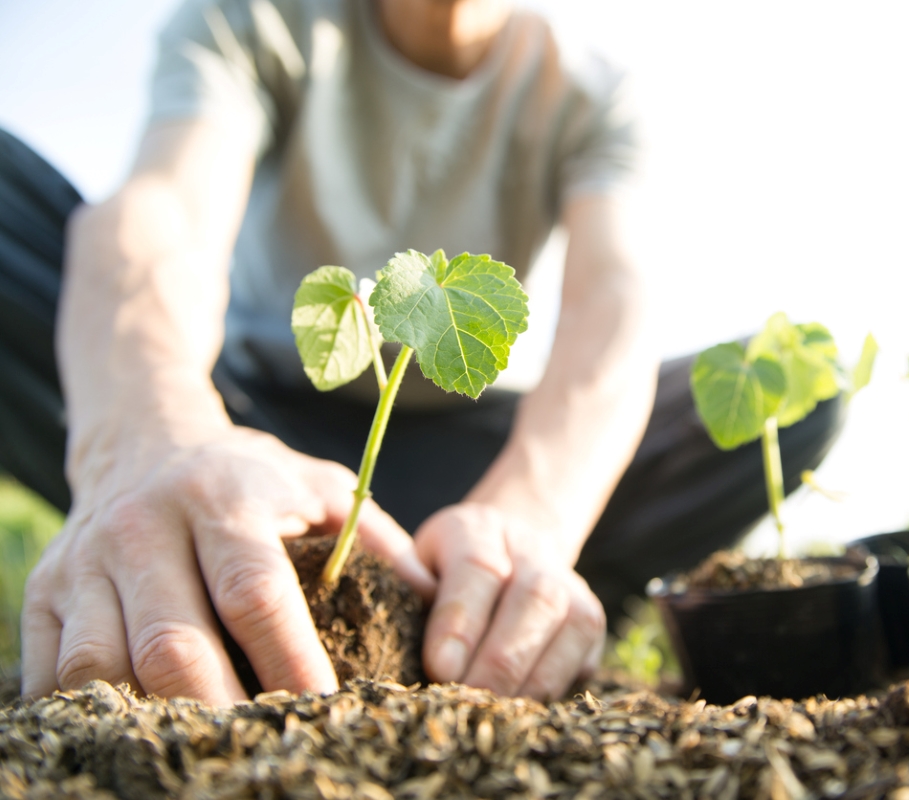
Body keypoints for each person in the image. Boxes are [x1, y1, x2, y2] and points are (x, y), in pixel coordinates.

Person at [0, 0, 842, 705]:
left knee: (797, 392)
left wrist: (531, 515)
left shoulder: (592, 94)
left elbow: (611, 302)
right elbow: (159, 216)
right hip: (249, 431)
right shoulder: (260, 17)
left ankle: (500, 584)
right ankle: (180, 528)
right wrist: (147, 434)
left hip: (474, 463)